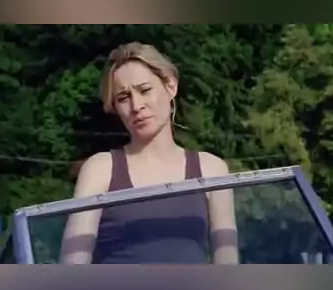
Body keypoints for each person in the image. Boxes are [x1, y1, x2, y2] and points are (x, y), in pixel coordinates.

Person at [60, 42, 239, 264]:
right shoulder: (100, 169)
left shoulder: (212, 169)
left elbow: (227, 262)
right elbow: (73, 264)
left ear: (170, 86)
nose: (136, 106)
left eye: (145, 90)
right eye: (123, 97)